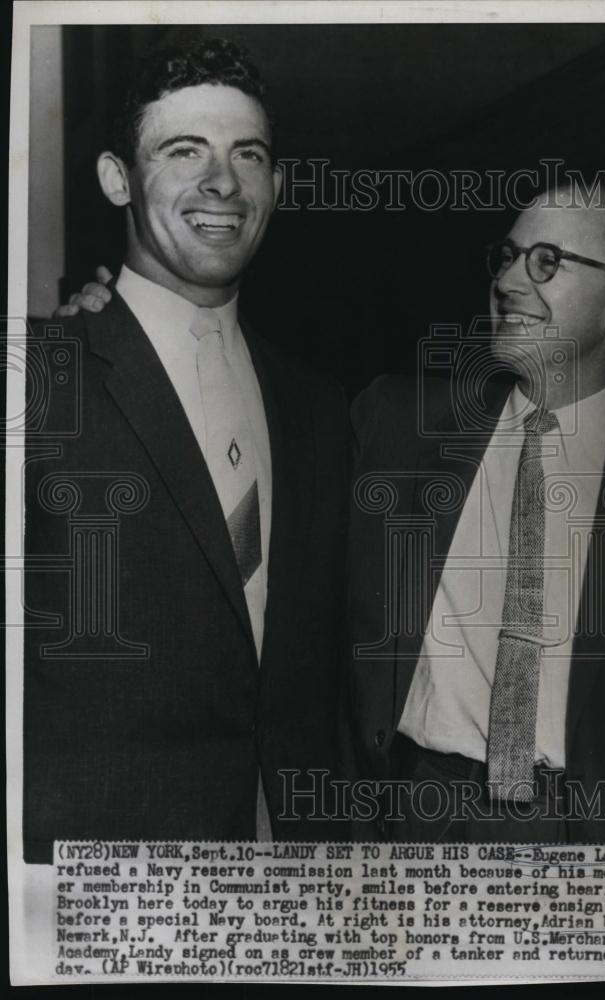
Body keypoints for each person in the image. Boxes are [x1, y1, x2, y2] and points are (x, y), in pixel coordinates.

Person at [23, 39, 351, 863]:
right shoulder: (35, 376)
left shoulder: (318, 405)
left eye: (249, 154)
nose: (223, 184)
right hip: (102, 889)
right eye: (184, 151)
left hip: (294, 884)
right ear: (115, 179)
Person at [348, 185, 605, 844]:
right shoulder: (395, 424)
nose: (509, 281)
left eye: (547, 262)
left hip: (590, 839)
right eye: (509, 255)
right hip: (409, 813)